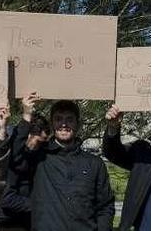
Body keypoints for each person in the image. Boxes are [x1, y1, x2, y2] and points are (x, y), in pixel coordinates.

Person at [25, 98, 114, 231]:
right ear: (52, 124)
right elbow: (16, 158)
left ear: (78, 124)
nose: (64, 124)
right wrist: (26, 115)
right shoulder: (38, 158)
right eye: (59, 119)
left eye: (69, 119)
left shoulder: (94, 164)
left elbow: (105, 206)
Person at [0, 92, 50, 231]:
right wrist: (41, 205)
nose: (39, 147)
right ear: (29, 135)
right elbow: (7, 200)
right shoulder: (13, 159)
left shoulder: (38, 158)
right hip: (10, 223)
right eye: (37, 142)